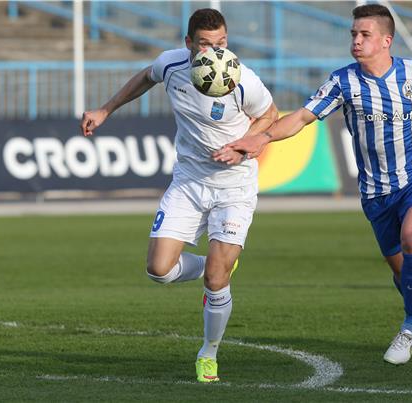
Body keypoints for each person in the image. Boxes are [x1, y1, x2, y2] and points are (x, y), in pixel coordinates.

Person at [214, 4, 412, 365]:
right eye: (353, 34)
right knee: (403, 272)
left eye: (364, 35)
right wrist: (264, 138)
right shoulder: (343, 82)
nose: (356, 41)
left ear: (386, 40)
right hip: (376, 192)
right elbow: (302, 117)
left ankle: (410, 327)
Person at [80, 8, 278, 382]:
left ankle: (209, 352)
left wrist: (245, 144)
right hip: (188, 181)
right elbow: (144, 77)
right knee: (159, 270)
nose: (215, 53)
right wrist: (106, 110)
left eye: (221, 44)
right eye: (206, 45)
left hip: (233, 186)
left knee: (217, 282)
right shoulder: (171, 66)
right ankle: (213, 264)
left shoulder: (241, 79)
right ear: (188, 44)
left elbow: (271, 114)